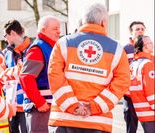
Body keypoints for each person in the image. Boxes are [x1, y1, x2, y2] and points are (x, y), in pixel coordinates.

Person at [47, 3, 130, 133]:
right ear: (103, 22)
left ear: (83, 20)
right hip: (97, 122)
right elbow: (122, 83)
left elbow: (55, 77)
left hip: (64, 119)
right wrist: (93, 107)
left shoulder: (63, 43)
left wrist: (73, 106)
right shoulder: (117, 49)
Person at [19, 15, 60, 133]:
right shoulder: (38, 49)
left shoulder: (48, 47)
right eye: (55, 28)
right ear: (43, 30)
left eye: (59, 28)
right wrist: (39, 102)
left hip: (46, 107)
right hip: (40, 108)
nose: (59, 31)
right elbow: (25, 78)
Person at [1, 19, 29, 133]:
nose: (4, 39)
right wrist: (13, 72)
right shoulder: (7, 53)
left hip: (26, 104)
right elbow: (1, 74)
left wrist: (9, 73)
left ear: (12, 33)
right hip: (10, 105)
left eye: (5, 35)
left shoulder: (31, 50)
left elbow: (24, 73)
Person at [123, 21, 146, 133]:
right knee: (131, 128)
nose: (140, 31)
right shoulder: (125, 49)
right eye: (137, 29)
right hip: (130, 95)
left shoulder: (148, 49)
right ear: (131, 32)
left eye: (142, 29)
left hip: (145, 95)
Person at [129, 35, 154, 133]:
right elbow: (151, 91)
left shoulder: (133, 64)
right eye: (150, 43)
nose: (153, 44)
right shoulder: (147, 64)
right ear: (144, 47)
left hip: (142, 112)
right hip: (151, 113)